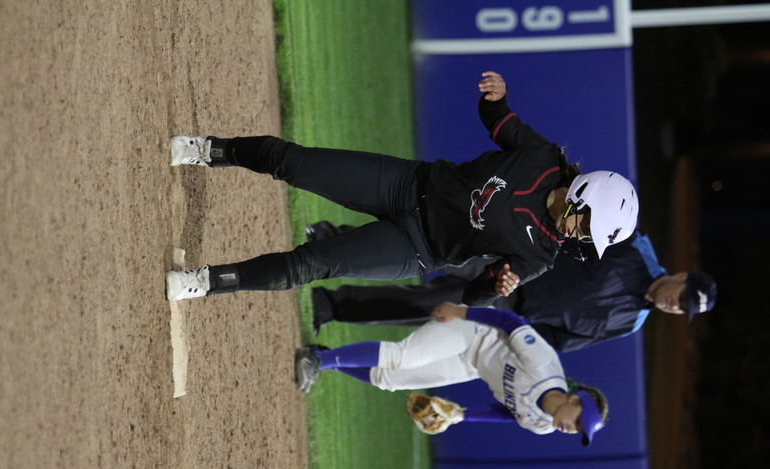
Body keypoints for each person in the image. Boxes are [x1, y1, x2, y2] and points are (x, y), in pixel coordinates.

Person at [165, 71, 638, 305]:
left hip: (417, 248)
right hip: (406, 184)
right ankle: (207, 149)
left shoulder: (541, 257)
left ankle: (204, 283)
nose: (579, 236)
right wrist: (497, 97)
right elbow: (501, 124)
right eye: (587, 226)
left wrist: (496, 286)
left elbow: (470, 294)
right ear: (585, 194)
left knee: (311, 264)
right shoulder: (542, 157)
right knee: (292, 161)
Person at [306, 225, 718, 352]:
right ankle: (332, 241)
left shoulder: (630, 323)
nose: (674, 304)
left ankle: (330, 305)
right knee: (425, 246)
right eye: (681, 296)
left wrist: (515, 333)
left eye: (682, 309)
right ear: (681, 275)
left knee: (425, 307)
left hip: (508, 303)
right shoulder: (635, 246)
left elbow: (562, 338)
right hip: (509, 259)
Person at [294, 302, 608, 445]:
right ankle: (317, 360)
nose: (573, 429)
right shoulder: (543, 364)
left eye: (580, 431)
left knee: (389, 380)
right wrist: (461, 312)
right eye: (579, 421)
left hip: (471, 364)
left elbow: (510, 414)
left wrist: (461, 415)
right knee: (401, 357)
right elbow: (511, 321)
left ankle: (330, 358)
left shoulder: (542, 426)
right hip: (473, 331)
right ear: (575, 398)